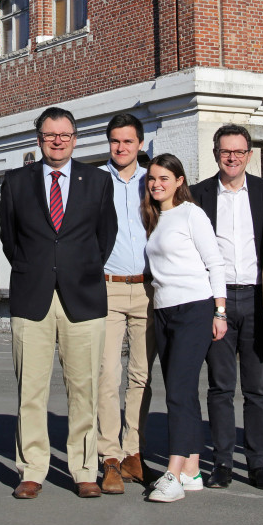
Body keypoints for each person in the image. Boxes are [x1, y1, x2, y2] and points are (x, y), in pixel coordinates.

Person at [0, 106, 118, 499]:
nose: (57, 140)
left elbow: (105, 237)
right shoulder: (16, 181)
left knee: (83, 389)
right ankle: (31, 469)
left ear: (75, 138)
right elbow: (10, 240)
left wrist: (75, 268)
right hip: (31, 297)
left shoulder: (98, 182)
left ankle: (84, 470)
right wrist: (39, 268)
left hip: (82, 298)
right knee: (30, 391)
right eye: (50, 134)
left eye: (64, 134)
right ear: (39, 139)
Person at [191, 123, 263, 492]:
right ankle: (223, 464)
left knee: (258, 388)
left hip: (259, 298)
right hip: (218, 299)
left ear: (248, 155)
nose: (232, 157)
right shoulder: (197, 195)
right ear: (216, 155)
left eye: (239, 152)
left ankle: (258, 465)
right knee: (221, 387)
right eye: (226, 151)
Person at [140, 155, 226, 504]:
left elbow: (214, 262)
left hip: (195, 307)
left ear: (179, 180)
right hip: (163, 310)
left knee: (177, 389)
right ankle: (192, 469)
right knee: (183, 390)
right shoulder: (154, 217)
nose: (156, 184)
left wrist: (220, 311)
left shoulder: (192, 213)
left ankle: (173, 474)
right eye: (151, 179)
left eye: (164, 178)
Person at [97, 113, 154, 494]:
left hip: (149, 290)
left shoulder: (156, 179)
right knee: (106, 375)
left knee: (141, 374)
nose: (121, 148)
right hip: (107, 288)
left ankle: (134, 451)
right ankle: (110, 457)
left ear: (141, 144)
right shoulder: (96, 181)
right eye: (115, 142)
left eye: (128, 142)